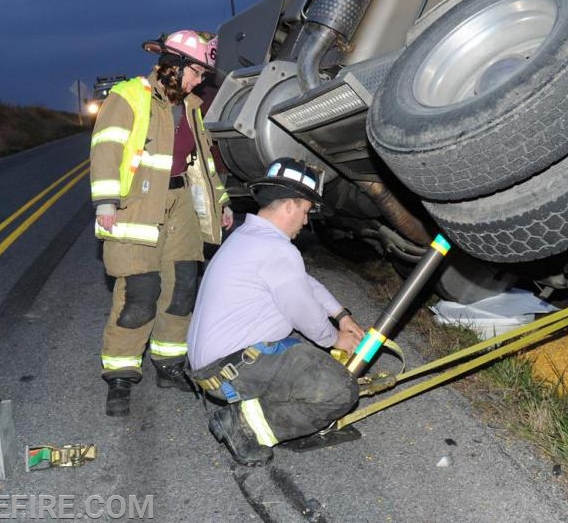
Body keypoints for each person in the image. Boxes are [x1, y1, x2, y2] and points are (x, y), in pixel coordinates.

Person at [90, 29, 233, 417]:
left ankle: (169, 363)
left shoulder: (190, 106)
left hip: (180, 202)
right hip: (136, 205)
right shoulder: (129, 96)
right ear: (177, 66)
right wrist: (105, 202)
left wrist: (220, 201)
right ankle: (120, 374)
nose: (200, 81)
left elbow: (203, 160)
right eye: (198, 72)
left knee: (183, 284)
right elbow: (106, 149)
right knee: (140, 291)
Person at [186, 158, 365, 466]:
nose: (306, 222)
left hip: (214, 365)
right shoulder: (277, 250)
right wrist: (336, 338)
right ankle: (243, 425)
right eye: (306, 211)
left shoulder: (248, 237)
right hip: (231, 370)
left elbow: (303, 284)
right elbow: (304, 313)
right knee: (340, 389)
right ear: (290, 206)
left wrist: (341, 314)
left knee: (300, 353)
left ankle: (259, 409)